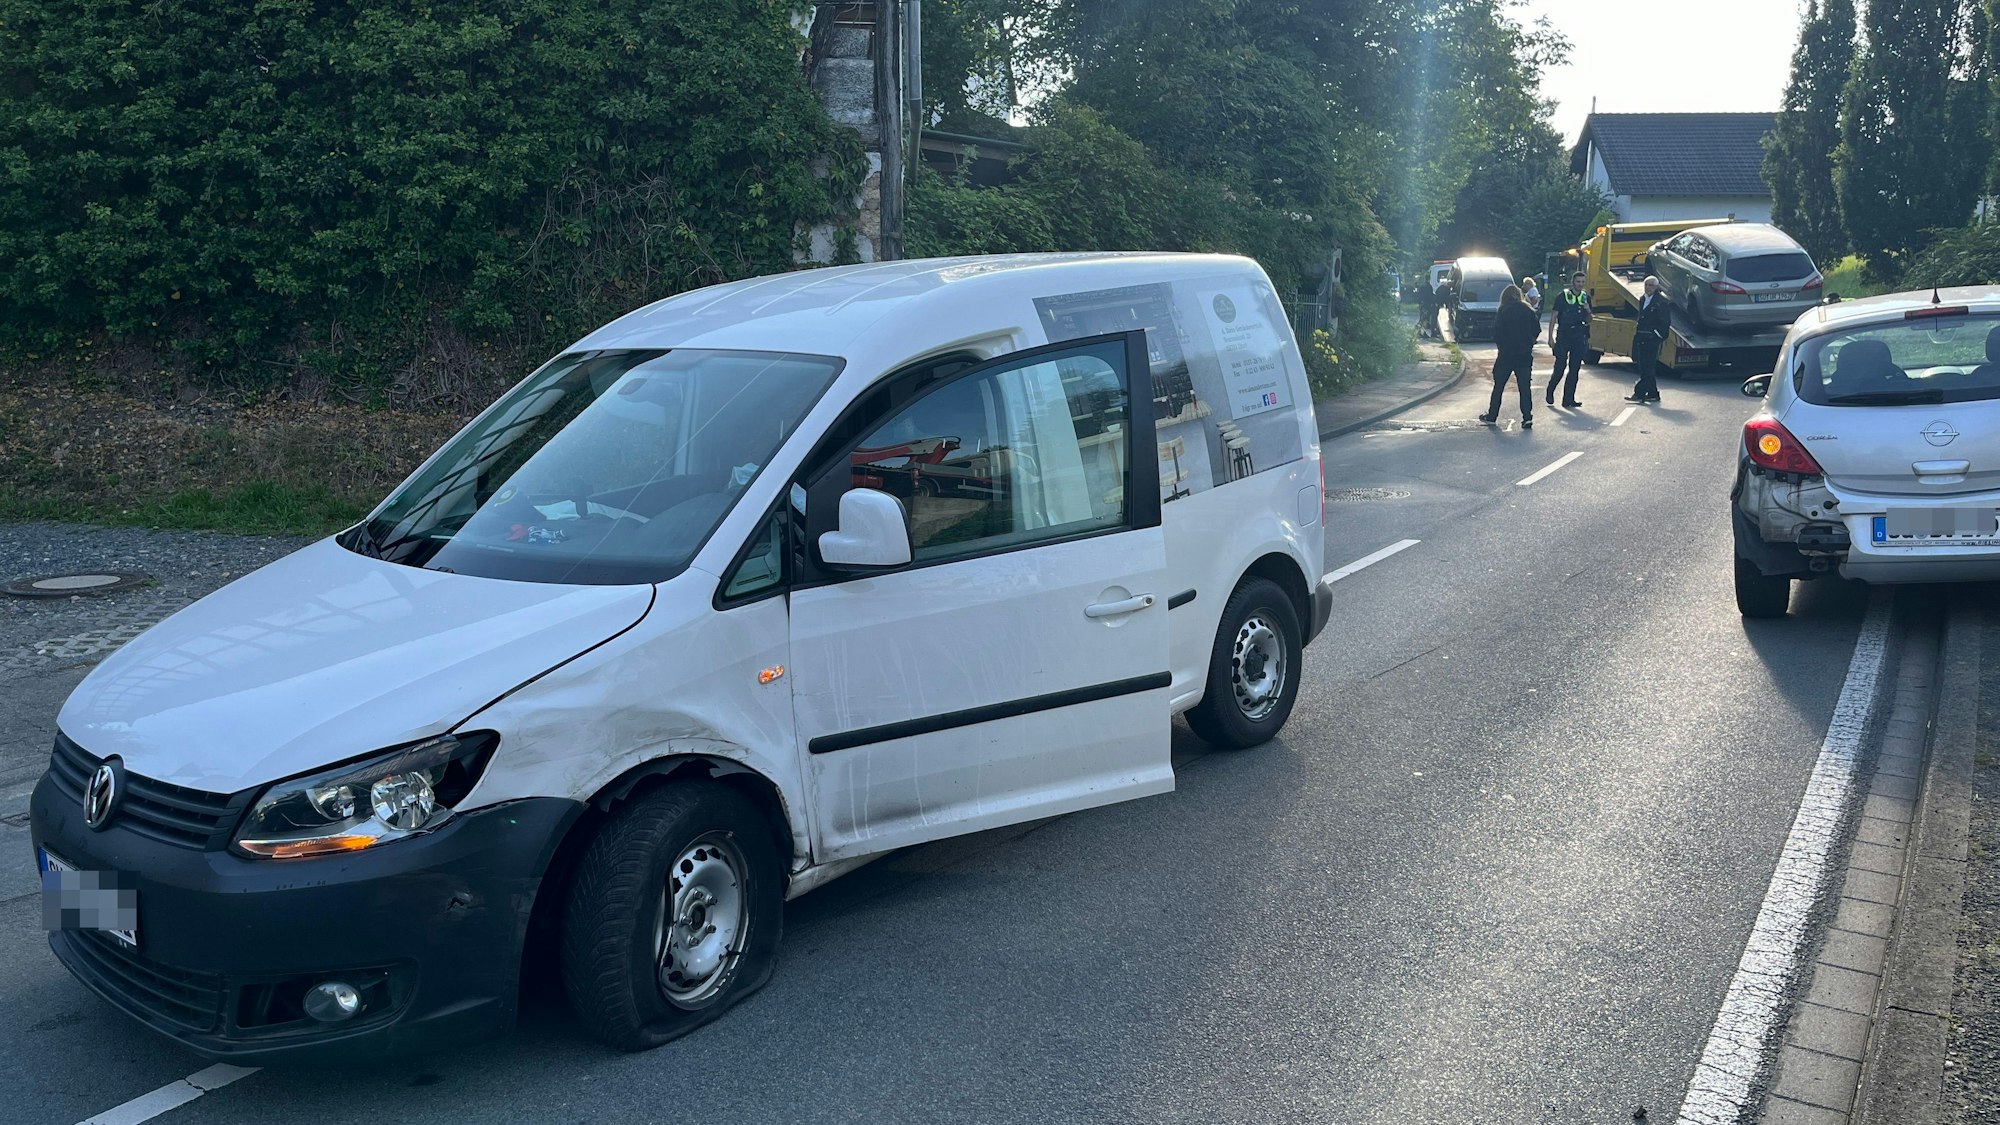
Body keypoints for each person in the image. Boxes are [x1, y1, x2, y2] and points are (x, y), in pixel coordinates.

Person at [1480, 284, 1540, 429]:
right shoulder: (1528, 309)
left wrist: (1502, 346)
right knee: (1524, 387)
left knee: (1499, 386)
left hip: (1506, 355)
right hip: (1524, 354)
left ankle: (1492, 415)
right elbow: (1537, 329)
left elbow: (1497, 332)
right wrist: (1530, 342)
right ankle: (1527, 417)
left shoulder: (1503, 310)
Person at [1544, 269, 1592, 409]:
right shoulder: (1562, 296)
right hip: (1564, 334)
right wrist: (1550, 337)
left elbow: (1590, 320)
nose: (1580, 284)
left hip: (1579, 335)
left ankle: (1568, 399)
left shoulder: (1585, 297)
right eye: (1578, 281)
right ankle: (1550, 390)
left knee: (1574, 368)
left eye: (1582, 282)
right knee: (1560, 367)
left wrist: (1588, 309)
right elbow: (1553, 317)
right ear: (1573, 282)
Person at [1627, 275, 1671, 404]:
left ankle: (1639, 393)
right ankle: (1653, 394)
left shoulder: (1661, 302)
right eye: (1646, 285)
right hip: (1641, 337)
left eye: (1651, 285)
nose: (1648, 288)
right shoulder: (1643, 299)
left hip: (1652, 339)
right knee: (1643, 365)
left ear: (1656, 287)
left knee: (1648, 366)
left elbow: (1665, 322)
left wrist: (1656, 335)